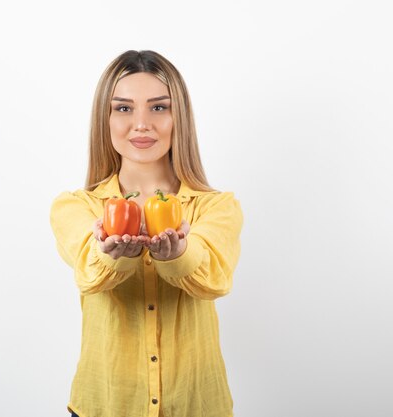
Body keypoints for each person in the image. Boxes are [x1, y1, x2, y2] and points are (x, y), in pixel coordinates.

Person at [49, 50, 244, 417]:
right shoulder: (76, 207)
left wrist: (178, 256)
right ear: (104, 119)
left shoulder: (216, 207)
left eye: (158, 108)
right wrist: (110, 254)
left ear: (179, 118)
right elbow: (90, 271)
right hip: (104, 406)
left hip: (196, 406)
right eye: (123, 108)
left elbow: (213, 278)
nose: (141, 124)